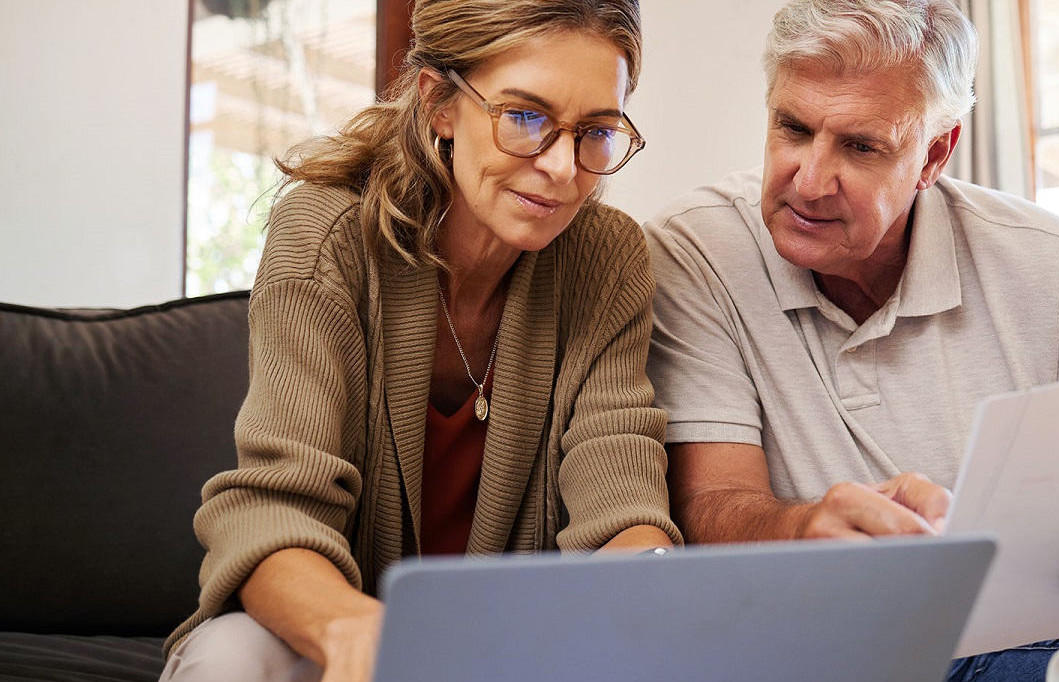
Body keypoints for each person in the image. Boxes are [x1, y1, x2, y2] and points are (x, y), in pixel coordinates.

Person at [643, 0, 1059, 679]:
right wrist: (803, 533)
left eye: (859, 146)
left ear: (933, 154)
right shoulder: (698, 250)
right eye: (792, 128)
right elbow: (710, 505)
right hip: (831, 633)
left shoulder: (1048, 263)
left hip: (1039, 625)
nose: (810, 180)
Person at [160, 2, 680, 680]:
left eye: (595, 131)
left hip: (513, 649)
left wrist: (655, 586)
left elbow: (620, 504)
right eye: (525, 117)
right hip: (328, 632)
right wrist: (354, 631)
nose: (561, 167)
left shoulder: (607, 260)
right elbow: (272, 511)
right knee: (232, 657)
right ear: (439, 103)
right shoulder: (326, 232)